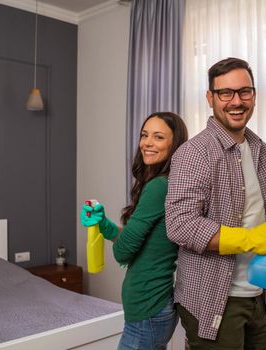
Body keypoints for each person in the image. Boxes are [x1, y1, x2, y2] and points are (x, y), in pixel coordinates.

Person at [165, 57, 266, 349]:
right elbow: (180, 225)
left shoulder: (261, 149)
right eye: (225, 93)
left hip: (257, 294)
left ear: (254, 95)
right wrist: (250, 239)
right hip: (213, 298)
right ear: (210, 98)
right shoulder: (194, 153)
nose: (236, 101)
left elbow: (265, 207)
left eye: (244, 92)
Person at [80, 112, 188, 350]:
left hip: (148, 306)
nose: (147, 143)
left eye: (158, 137)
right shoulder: (164, 183)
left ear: (174, 145)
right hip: (152, 307)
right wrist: (103, 224)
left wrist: (123, 242)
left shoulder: (159, 186)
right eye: (144, 135)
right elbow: (143, 241)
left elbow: (124, 251)